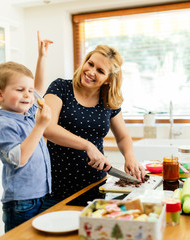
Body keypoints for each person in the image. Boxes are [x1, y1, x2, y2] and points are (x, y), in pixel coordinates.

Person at [42, 45, 146, 206]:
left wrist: (130, 157)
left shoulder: (108, 101)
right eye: (90, 64)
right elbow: (48, 128)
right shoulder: (60, 87)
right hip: (57, 186)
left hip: (95, 185)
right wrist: (87, 145)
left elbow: (123, 136)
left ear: (109, 79)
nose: (91, 72)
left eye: (100, 71)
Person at [0, 32, 53, 232]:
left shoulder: (27, 113)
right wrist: (40, 127)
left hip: (42, 195)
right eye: (20, 90)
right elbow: (19, 159)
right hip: (21, 203)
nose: (28, 94)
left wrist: (42, 57)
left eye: (29, 90)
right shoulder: (4, 123)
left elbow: (39, 88)